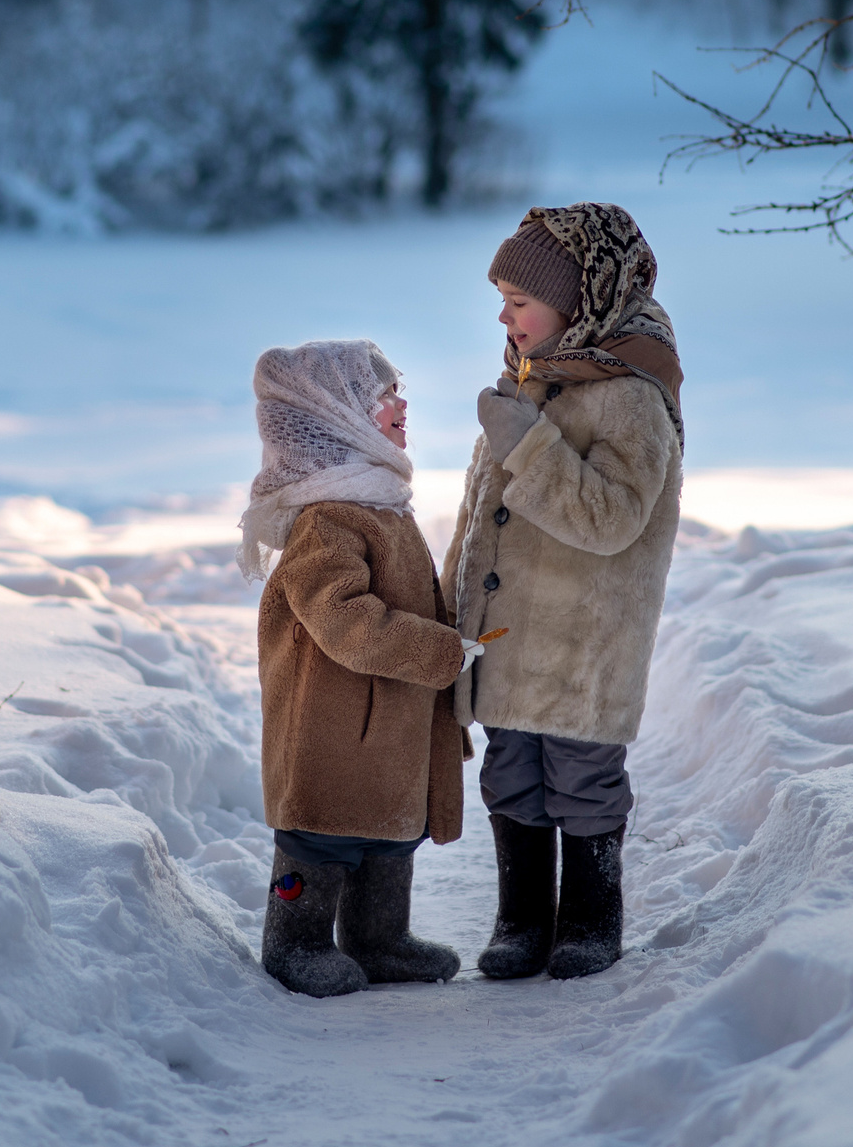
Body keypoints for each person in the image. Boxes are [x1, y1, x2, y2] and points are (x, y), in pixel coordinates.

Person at [446, 204, 682, 981]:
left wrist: (529, 442)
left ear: (578, 299)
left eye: (520, 300)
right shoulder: (536, 374)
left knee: (581, 777)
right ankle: (521, 919)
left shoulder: (630, 391)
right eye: (503, 301)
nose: (504, 316)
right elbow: (484, 508)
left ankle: (589, 914)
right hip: (511, 632)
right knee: (509, 768)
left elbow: (612, 516)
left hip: (585, 640)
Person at [240, 339, 482, 997]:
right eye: (378, 395)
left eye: (397, 389)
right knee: (321, 840)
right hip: (333, 734)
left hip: (387, 733)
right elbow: (346, 623)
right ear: (335, 418)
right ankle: (296, 940)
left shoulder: (379, 500)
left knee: (386, 841)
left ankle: (379, 938)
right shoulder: (326, 518)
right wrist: (441, 651)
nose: (399, 403)